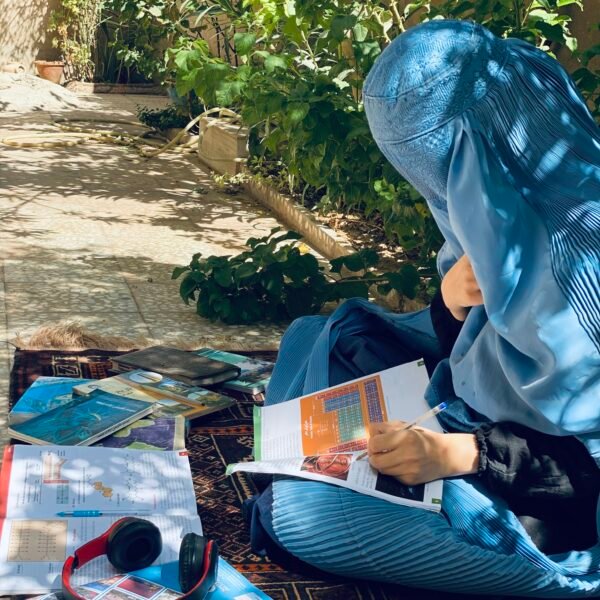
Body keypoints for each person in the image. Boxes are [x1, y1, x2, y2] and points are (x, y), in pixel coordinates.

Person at [246, 18, 600, 584]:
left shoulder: (587, 263)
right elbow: (469, 354)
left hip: (552, 500)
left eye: (445, 181)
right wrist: (452, 303)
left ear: (484, 156)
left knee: (307, 516)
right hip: (470, 422)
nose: (442, 201)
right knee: (322, 334)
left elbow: (587, 471)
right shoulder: (503, 211)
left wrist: (463, 456)